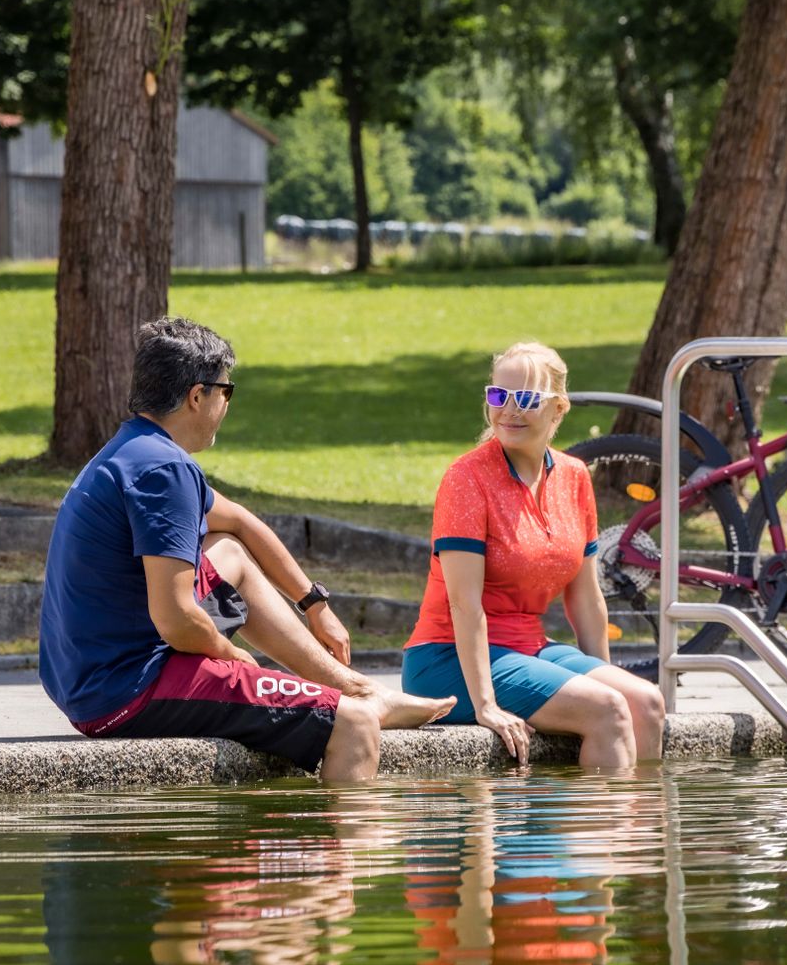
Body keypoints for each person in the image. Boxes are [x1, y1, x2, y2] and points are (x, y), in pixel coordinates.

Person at [39, 316, 453, 783]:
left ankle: (357, 687)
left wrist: (314, 604)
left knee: (228, 551)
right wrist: (232, 658)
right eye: (226, 391)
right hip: (125, 690)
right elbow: (176, 620)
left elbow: (239, 523)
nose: (227, 404)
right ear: (198, 396)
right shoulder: (163, 471)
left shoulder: (136, 449)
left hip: (92, 681)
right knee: (354, 726)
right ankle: (352, 853)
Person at [401, 341, 665, 769]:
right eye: (498, 396)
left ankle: (633, 831)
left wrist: (595, 676)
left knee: (645, 703)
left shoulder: (575, 477)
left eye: (526, 399)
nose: (509, 410)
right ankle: (608, 834)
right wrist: (485, 704)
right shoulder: (466, 479)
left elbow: (585, 597)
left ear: (558, 409)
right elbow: (464, 604)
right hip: (448, 658)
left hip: (530, 649)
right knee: (607, 710)